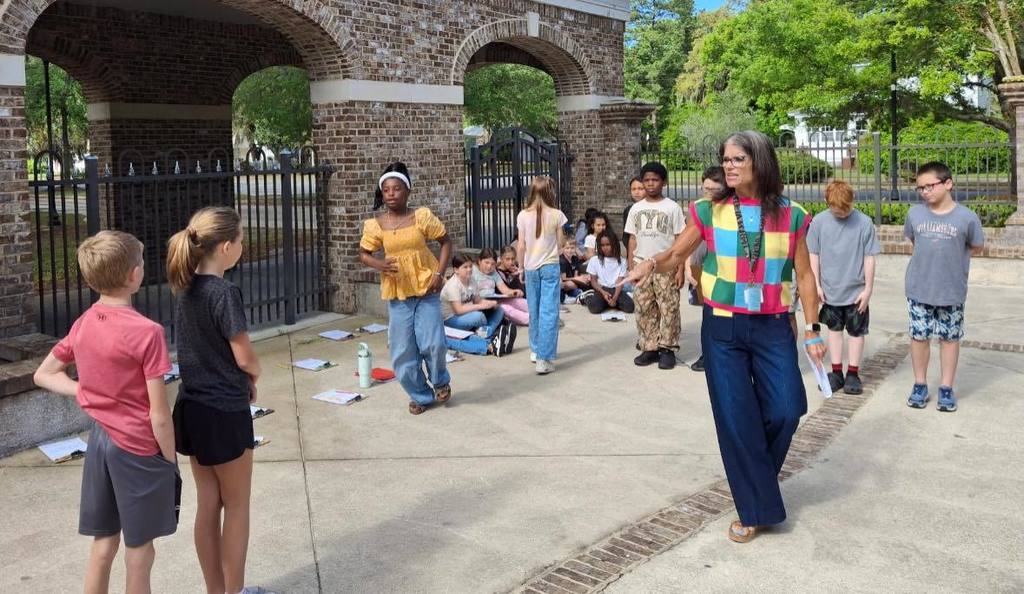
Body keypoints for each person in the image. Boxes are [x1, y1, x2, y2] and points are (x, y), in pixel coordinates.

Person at [623, 130, 826, 544]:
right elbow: (676, 255)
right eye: (726, 159)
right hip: (723, 326)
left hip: (773, 325)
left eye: (737, 159)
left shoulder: (793, 215)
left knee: (788, 408)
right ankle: (754, 508)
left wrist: (812, 329)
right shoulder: (706, 211)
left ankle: (756, 481)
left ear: (760, 162)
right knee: (736, 417)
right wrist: (650, 265)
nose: (729, 166)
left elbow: (804, 276)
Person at [33, 231, 176, 594]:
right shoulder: (148, 333)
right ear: (133, 275)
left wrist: (85, 391)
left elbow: (44, 373)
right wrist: (170, 461)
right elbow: (159, 414)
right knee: (140, 552)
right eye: (141, 262)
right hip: (139, 448)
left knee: (103, 543)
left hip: (100, 444)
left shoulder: (83, 323)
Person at [164, 207, 267, 594]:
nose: (242, 246)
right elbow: (244, 355)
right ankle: (235, 591)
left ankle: (216, 590)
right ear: (226, 247)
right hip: (224, 411)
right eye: (240, 240)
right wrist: (254, 375)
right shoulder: (224, 293)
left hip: (191, 409)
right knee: (237, 505)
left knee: (209, 503)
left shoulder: (184, 287)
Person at [358, 162, 453, 415]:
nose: (391, 194)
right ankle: (420, 395)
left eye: (396, 189)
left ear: (407, 191)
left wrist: (439, 274)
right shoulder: (376, 224)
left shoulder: (420, 216)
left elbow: (445, 242)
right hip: (398, 295)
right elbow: (364, 254)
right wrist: (380, 264)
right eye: (386, 189)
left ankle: (440, 381)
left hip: (426, 290)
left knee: (433, 343)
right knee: (402, 352)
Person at [904, 161, 984, 412]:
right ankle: (920, 384)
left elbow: (976, 246)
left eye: (930, 186)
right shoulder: (914, 215)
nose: (926, 192)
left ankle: (946, 387)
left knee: (949, 339)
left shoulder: (967, 218)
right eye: (920, 188)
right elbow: (913, 241)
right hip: (919, 289)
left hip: (951, 291)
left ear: (948, 183)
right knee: (919, 337)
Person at [807, 180, 881, 395]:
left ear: (852, 201)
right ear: (826, 202)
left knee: (857, 332)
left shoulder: (864, 223)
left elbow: (869, 257)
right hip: (830, 290)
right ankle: (836, 371)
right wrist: (816, 284)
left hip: (856, 291)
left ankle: (853, 373)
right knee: (834, 330)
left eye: (845, 209)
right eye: (836, 210)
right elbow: (814, 254)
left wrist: (868, 289)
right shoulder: (819, 223)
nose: (840, 213)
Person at [625, 161, 686, 370]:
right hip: (641, 264)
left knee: (668, 306)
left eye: (655, 180)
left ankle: (667, 348)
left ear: (664, 182)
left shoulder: (672, 208)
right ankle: (649, 347)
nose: (651, 184)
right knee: (643, 306)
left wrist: (680, 268)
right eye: (647, 180)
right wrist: (630, 264)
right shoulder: (636, 208)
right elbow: (632, 238)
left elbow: (680, 239)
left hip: (666, 265)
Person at [516, 176, 567, 374]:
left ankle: (536, 349)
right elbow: (561, 243)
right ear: (550, 192)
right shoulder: (557, 215)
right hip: (550, 265)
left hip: (530, 267)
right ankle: (544, 358)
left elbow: (521, 245)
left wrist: (520, 267)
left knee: (534, 309)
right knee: (549, 311)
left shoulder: (522, 215)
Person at [685, 166, 726, 372]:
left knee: (725, 318)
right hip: (700, 269)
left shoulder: (730, 212)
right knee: (707, 316)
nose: (708, 193)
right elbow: (686, 243)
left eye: (713, 190)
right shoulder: (698, 209)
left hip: (724, 271)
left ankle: (720, 356)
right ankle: (706, 354)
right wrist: (687, 267)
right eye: (705, 189)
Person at [442, 253, 515, 356]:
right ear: (456, 270)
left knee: (499, 310)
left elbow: (478, 300)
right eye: (465, 267)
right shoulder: (453, 286)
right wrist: (481, 306)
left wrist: (491, 303)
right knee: (478, 317)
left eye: (470, 266)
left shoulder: (471, 280)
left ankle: (487, 335)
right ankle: (491, 342)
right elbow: (458, 310)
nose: (469, 270)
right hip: (451, 319)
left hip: (467, 314)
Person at [584, 228, 634, 314]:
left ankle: (609, 303)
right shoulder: (594, 260)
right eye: (602, 245)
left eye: (608, 244)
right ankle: (587, 297)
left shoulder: (622, 261)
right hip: (601, 289)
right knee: (594, 308)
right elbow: (593, 281)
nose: (605, 248)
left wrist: (614, 298)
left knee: (630, 307)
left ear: (614, 244)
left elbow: (620, 282)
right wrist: (603, 293)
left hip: (616, 290)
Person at [474, 247, 529, 326]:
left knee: (519, 301)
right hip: (482, 302)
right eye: (486, 263)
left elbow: (504, 290)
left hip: (495, 299)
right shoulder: (473, 271)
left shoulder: (494, 273)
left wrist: (514, 292)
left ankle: (543, 314)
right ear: (479, 261)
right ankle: (533, 320)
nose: (489, 266)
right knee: (506, 308)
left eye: (492, 264)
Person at [559, 237, 590, 302]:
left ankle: (576, 295)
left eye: (572, 248)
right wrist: (577, 279)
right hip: (564, 283)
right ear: (563, 249)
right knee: (571, 284)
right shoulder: (562, 260)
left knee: (586, 280)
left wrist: (583, 278)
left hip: (573, 282)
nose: (570, 250)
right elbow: (563, 278)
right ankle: (564, 296)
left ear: (575, 248)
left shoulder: (575, 259)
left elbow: (575, 275)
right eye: (567, 248)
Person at [621, 176, 645, 247]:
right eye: (633, 189)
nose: (636, 192)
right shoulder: (628, 210)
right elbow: (626, 236)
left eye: (640, 189)